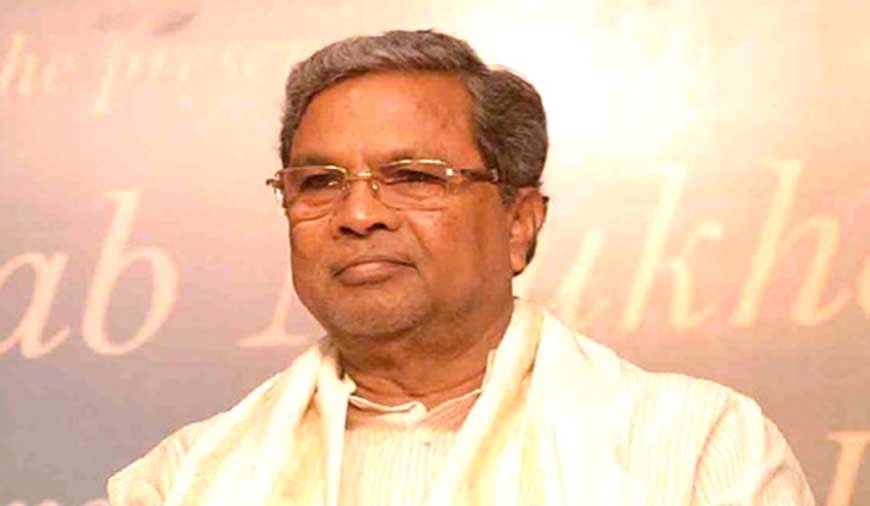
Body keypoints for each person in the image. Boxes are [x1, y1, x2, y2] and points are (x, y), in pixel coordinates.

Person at [107, 30, 815, 506]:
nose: (359, 213)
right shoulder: (183, 479)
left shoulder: (698, 446)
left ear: (518, 222)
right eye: (319, 182)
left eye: (414, 177)